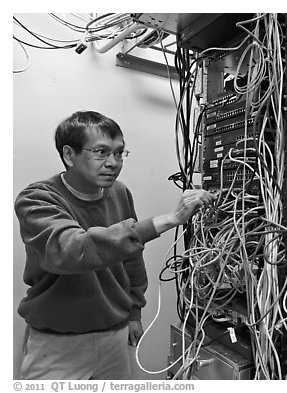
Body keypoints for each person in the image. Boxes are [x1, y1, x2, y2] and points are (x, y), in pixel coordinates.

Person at [14, 111, 216, 380]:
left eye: (120, 153)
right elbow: (71, 250)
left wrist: (134, 312)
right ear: (69, 155)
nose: (113, 163)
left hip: (115, 335)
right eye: (101, 152)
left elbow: (131, 259)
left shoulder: (119, 192)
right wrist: (169, 220)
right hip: (58, 344)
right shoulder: (37, 199)